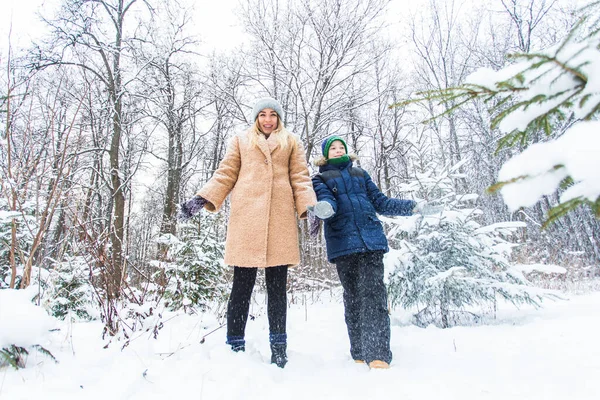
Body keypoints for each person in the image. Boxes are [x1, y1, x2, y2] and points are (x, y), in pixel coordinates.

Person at [178, 97, 316, 368]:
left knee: (277, 291)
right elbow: (226, 173)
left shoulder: (291, 142)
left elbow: (300, 176)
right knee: (241, 288)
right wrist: (203, 198)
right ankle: (234, 345)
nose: (267, 119)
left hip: (279, 223)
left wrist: (309, 207)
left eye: (272, 115)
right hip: (247, 221)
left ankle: (279, 348)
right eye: (262, 114)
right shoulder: (241, 140)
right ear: (256, 118)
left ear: (279, 118)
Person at [310, 135, 431, 370]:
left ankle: (378, 354)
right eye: (332, 148)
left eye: (341, 147)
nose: (337, 150)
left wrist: (413, 207)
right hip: (343, 244)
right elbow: (327, 202)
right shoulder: (320, 178)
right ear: (325, 154)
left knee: (374, 295)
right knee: (353, 296)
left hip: (371, 242)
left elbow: (381, 202)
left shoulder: (360, 174)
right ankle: (359, 350)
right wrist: (324, 209)